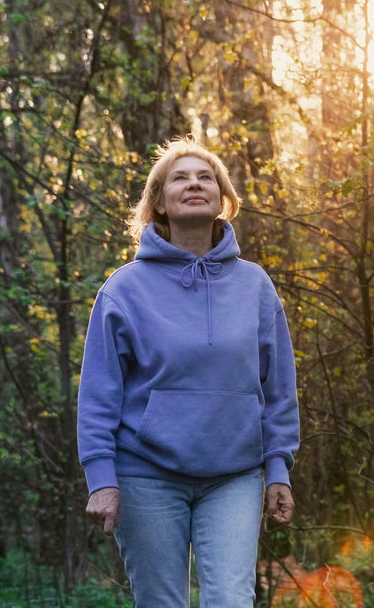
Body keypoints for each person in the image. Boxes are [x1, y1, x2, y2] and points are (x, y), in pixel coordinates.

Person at [77, 135, 300, 607]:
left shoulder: (255, 286)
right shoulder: (124, 290)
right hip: (145, 475)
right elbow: (98, 395)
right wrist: (102, 478)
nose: (195, 184)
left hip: (234, 475)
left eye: (206, 177)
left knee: (232, 600)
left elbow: (279, 388)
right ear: (159, 202)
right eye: (180, 178)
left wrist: (278, 467)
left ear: (222, 199)